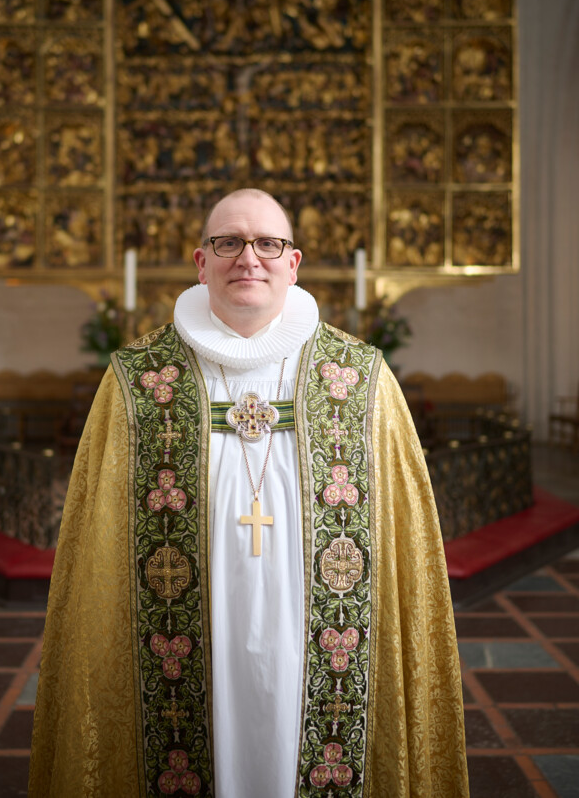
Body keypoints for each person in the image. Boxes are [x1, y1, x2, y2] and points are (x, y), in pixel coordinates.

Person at [30, 188, 468, 797]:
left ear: (293, 264)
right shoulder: (135, 380)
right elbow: (94, 559)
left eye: (268, 243)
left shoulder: (362, 380)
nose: (248, 258)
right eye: (229, 242)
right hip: (181, 649)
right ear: (201, 262)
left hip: (320, 642)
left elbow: (408, 551)